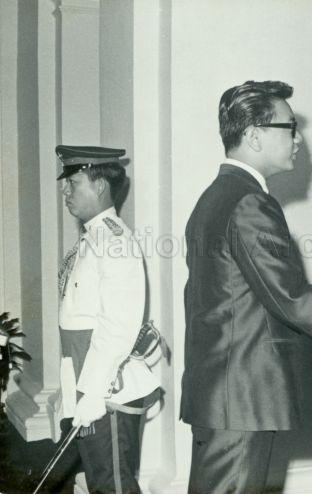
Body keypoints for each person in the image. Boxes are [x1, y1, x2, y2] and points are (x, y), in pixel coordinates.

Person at [180, 80, 312, 494]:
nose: (299, 140)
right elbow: (290, 297)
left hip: (224, 397)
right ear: (255, 135)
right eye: (290, 127)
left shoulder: (215, 197)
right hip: (241, 402)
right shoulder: (249, 203)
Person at [57, 145, 160, 493]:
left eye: (73, 182)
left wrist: (95, 392)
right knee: (97, 479)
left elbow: (118, 324)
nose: (65, 191)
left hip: (105, 385)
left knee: (113, 483)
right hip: (85, 375)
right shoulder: (94, 237)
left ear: (100, 185)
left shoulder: (115, 242)